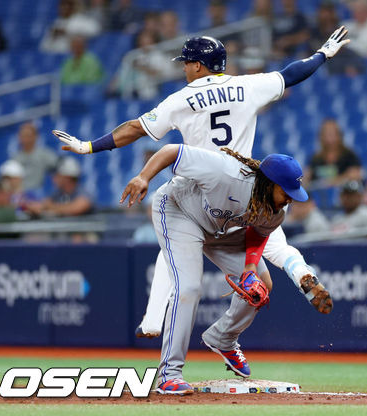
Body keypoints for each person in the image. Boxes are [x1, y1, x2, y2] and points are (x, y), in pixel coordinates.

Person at [52, 29, 350, 346]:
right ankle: (299, 275)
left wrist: (88, 147)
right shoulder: (246, 85)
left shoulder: (181, 98)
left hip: (196, 187)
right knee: (272, 241)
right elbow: (291, 75)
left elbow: (134, 129)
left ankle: (153, 320)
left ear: (198, 65)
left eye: (187, 62)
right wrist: (322, 54)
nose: (183, 68)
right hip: (243, 189)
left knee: (173, 249)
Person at [120, 144, 312, 394]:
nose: (290, 198)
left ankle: (223, 337)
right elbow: (171, 151)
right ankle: (169, 373)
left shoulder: (277, 210)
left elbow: (257, 234)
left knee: (260, 284)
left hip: (219, 230)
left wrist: (250, 269)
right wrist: (143, 177)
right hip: (179, 213)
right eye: (286, 191)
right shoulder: (225, 172)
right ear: (268, 182)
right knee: (188, 287)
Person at [25, 157, 93, 217]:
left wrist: (49, 207)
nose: (53, 178)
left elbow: (77, 208)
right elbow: (44, 204)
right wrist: (37, 207)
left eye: (57, 175)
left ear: (68, 177)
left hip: (84, 230)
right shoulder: (58, 193)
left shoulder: (81, 192)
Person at [306, 119, 362, 186]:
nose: (329, 138)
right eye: (326, 134)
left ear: (339, 135)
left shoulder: (349, 156)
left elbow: (355, 174)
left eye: (332, 133)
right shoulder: (315, 159)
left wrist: (332, 182)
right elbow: (307, 177)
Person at [11, 122, 59, 192]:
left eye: (28, 135)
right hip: (20, 194)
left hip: (40, 193)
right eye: (22, 136)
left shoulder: (45, 154)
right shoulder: (15, 159)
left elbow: (59, 168)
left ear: (35, 136)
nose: (25, 139)